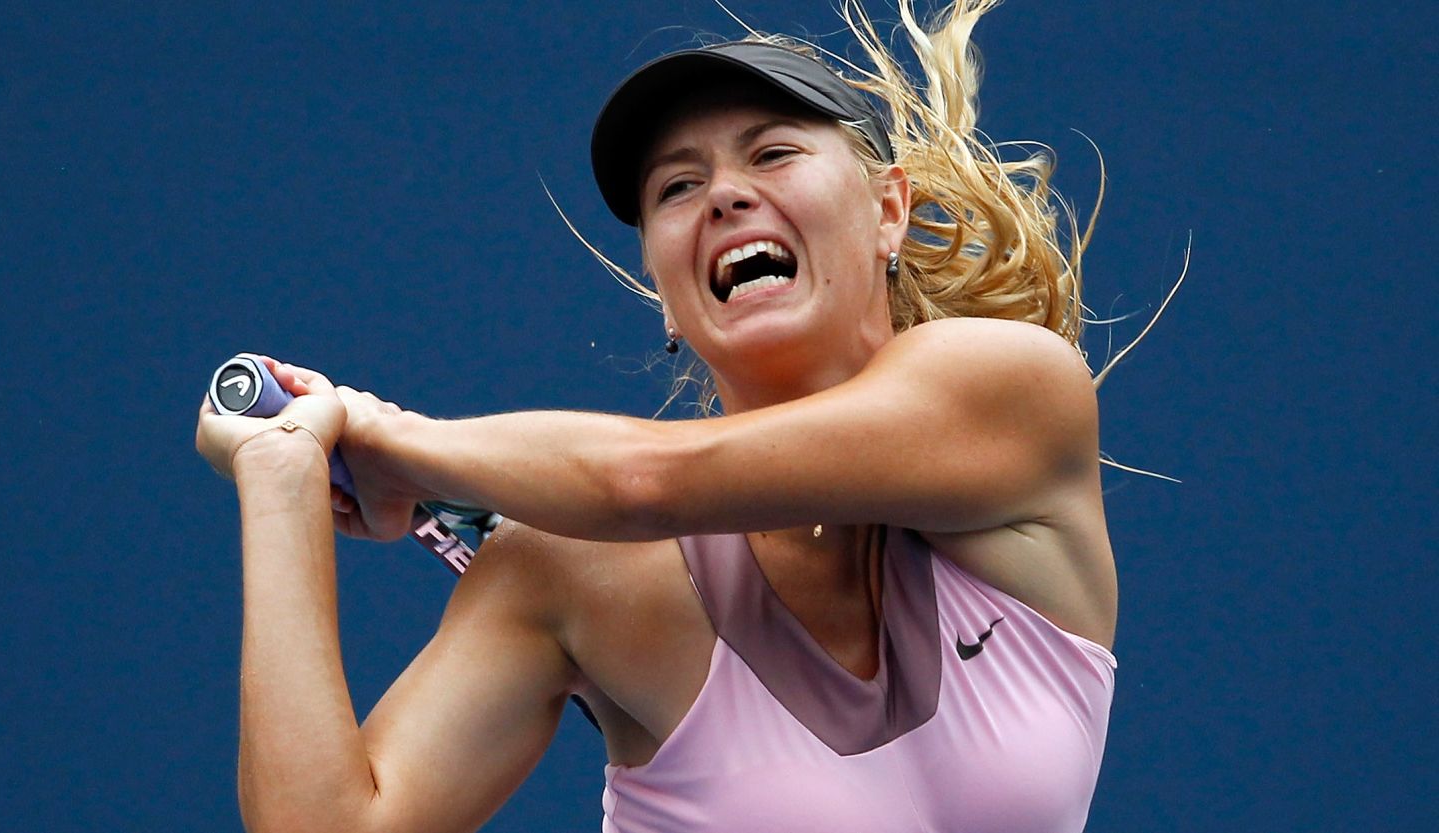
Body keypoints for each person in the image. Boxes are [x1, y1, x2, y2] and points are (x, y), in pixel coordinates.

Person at [195, 1, 1118, 831]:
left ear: (889, 211)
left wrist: (387, 437)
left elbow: (644, 483)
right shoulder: (573, 567)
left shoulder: (1015, 390)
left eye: (773, 152)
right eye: (677, 187)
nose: (722, 194)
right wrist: (282, 473)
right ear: (666, 294)